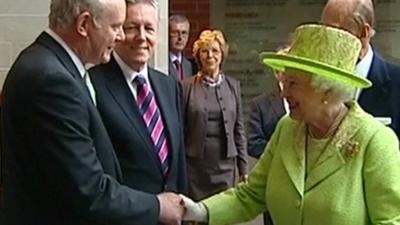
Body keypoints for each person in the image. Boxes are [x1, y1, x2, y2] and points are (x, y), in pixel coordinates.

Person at [180, 24, 400, 225]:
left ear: (327, 90)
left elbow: (389, 222)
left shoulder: (375, 140)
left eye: (293, 83)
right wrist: (200, 211)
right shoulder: (287, 128)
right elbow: (252, 195)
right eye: (284, 82)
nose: (284, 92)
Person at [0, 0, 184, 224]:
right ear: (84, 24)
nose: (119, 37)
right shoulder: (52, 80)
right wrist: (158, 206)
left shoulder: (51, 66)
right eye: (116, 27)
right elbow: (88, 190)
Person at [89, 0, 187, 215]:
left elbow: (178, 160)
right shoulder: (92, 85)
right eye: (131, 27)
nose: (141, 37)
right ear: (117, 32)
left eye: (149, 28)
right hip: (125, 217)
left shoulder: (169, 85)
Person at [180, 29, 248, 202]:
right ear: (198, 56)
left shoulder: (233, 86)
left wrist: (244, 169)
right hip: (195, 169)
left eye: (215, 50)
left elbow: (238, 130)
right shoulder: (185, 87)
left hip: (225, 167)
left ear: (222, 54)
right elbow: (179, 130)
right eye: (205, 51)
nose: (210, 55)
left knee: (224, 214)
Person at [321, 0, 400, 137]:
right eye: (323, 31)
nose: (326, 41)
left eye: (335, 32)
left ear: (364, 33)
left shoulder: (397, 83)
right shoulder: (315, 81)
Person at [168, 14, 196, 80]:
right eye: (175, 33)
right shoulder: (162, 62)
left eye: (184, 33)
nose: (180, 37)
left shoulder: (189, 65)